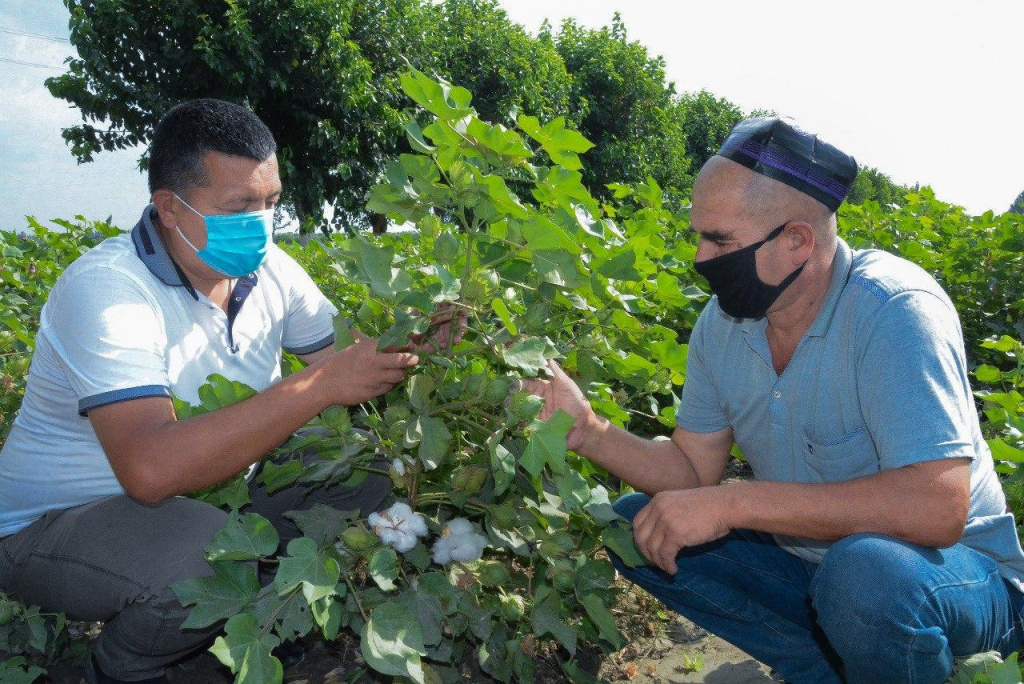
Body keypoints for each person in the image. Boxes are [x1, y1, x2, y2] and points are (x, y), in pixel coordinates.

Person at [525, 118, 1024, 684]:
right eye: (698, 235)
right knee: (637, 524)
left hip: (959, 580)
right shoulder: (724, 325)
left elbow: (937, 509)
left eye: (719, 240)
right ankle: (823, 669)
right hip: (816, 569)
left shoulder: (894, 311)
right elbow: (691, 470)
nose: (699, 258)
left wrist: (734, 504)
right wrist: (589, 429)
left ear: (796, 242)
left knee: (862, 576)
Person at [0, 99, 441, 683]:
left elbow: (346, 362)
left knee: (358, 467)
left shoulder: (273, 270)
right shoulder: (109, 290)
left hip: (212, 493)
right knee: (203, 555)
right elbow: (150, 471)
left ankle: (256, 623)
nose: (260, 222)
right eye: (239, 207)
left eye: (271, 202)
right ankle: (118, 671)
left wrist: (425, 343)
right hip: (53, 524)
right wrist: (316, 386)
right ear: (169, 208)